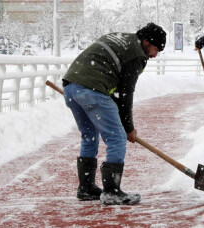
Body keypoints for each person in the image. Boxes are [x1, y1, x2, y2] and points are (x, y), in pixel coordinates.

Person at [62, 23, 166, 205]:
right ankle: (111, 191)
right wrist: (128, 128)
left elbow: (117, 92)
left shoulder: (119, 37)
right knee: (117, 138)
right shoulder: (137, 55)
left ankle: (86, 188)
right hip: (92, 89)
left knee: (89, 136)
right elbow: (125, 94)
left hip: (71, 86)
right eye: (156, 49)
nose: (155, 55)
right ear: (146, 41)